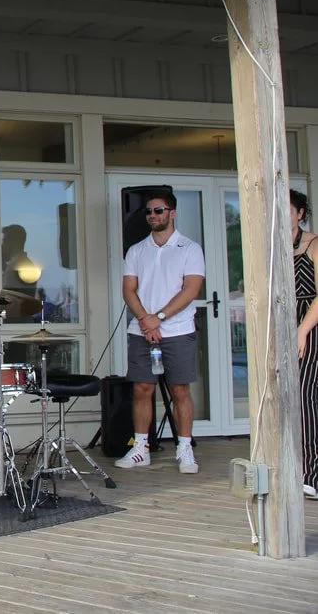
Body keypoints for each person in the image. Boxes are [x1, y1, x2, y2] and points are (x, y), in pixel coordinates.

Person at [116, 191, 205, 473]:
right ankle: (141, 447)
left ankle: (185, 448)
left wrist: (160, 318)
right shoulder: (136, 250)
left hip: (178, 329)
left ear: (172, 213)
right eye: (149, 211)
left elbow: (191, 290)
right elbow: (128, 289)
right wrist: (146, 320)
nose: (153, 215)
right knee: (142, 388)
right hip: (141, 330)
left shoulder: (189, 248)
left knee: (179, 389)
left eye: (158, 210)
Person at [288, 189, 318, 500]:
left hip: (310, 325)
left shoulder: (314, 244)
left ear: (300, 214)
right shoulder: (274, 247)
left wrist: (302, 330)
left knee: (304, 394)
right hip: (284, 326)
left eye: (288, 210)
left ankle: (311, 473)